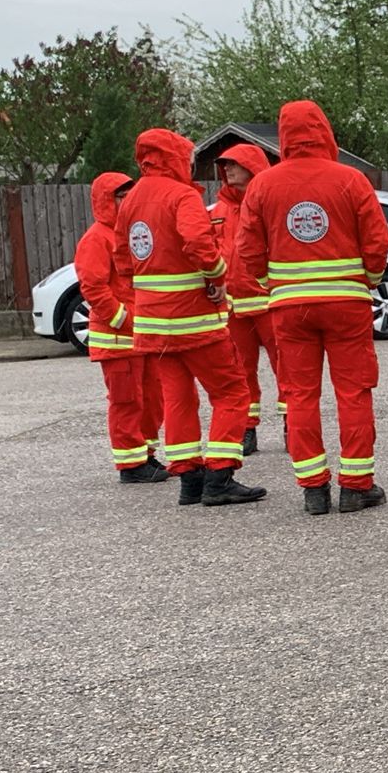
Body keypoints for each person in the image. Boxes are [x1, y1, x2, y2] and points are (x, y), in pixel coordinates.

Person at [236, 101, 388, 516]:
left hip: (289, 307)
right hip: (347, 303)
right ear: (324, 131)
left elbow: (247, 248)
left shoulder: (263, 185)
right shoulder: (350, 179)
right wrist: (369, 279)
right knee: (353, 392)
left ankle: (314, 489)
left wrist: (272, 283)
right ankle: (356, 486)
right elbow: (377, 241)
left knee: (300, 395)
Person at [113, 129, 267, 507]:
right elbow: (199, 243)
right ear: (175, 158)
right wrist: (217, 278)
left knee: (178, 399)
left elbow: (122, 259)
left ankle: (190, 481)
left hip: (152, 323)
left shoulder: (131, 201)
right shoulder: (181, 195)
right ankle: (220, 476)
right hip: (193, 319)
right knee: (231, 392)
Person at [74, 171, 166, 483]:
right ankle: (131, 465)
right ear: (106, 200)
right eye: (120, 196)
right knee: (127, 401)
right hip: (117, 339)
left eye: (129, 195)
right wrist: (123, 320)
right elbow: (93, 288)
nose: (126, 201)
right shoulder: (97, 238)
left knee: (152, 399)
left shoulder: (133, 232)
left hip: (142, 334)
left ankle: (146, 455)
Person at [211, 144, 282, 456]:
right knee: (239, 372)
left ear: (252, 167)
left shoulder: (269, 201)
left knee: (287, 368)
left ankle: (294, 424)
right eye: (224, 165)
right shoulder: (218, 210)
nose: (227, 169)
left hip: (269, 302)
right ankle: (246, 428)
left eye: (233, 164)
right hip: (234, 305)